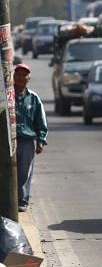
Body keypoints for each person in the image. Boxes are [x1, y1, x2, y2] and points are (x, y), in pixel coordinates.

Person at [14, 63, 47, 212]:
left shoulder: (33, 99)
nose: (21, 78)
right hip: (9, 141)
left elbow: (41, 122)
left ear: (29, 79)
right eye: (18, 74)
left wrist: (40, 140)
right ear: (14, 77)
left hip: (27, 142)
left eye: (24, 75)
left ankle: (22, 200)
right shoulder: (7, 97)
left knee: (24, 172)